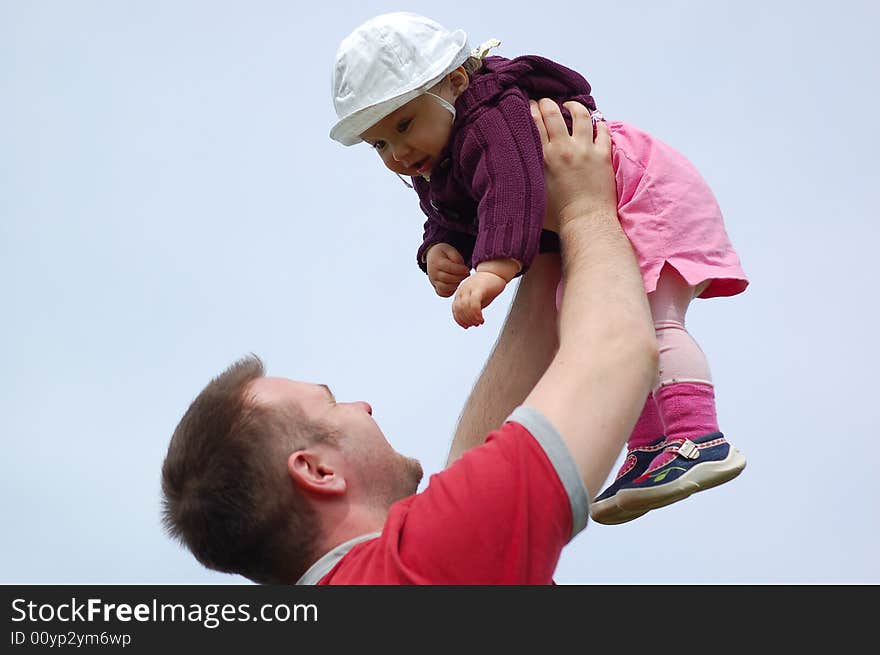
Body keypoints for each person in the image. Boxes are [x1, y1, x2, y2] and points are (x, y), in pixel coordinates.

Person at [161, 99, 657, 585]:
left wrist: (543, 240)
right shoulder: (424, 564)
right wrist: (584, 211)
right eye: (333, 406)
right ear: (316, 470)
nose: (363, 406)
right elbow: (613, 354)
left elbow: (475, 465)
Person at [329, 12, 748, 523]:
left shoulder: (491, 117)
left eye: (403, 124)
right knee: (594, 324)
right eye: (380, 143)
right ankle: (650, 446)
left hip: (643, 196)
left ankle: (696, 436)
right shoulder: (438, 154)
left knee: (651, 319)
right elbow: (453, 210)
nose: (398, 152)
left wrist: (490, 269)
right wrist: (438, 250)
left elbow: (511, 188)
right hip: (603, 216)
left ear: (456, 83)